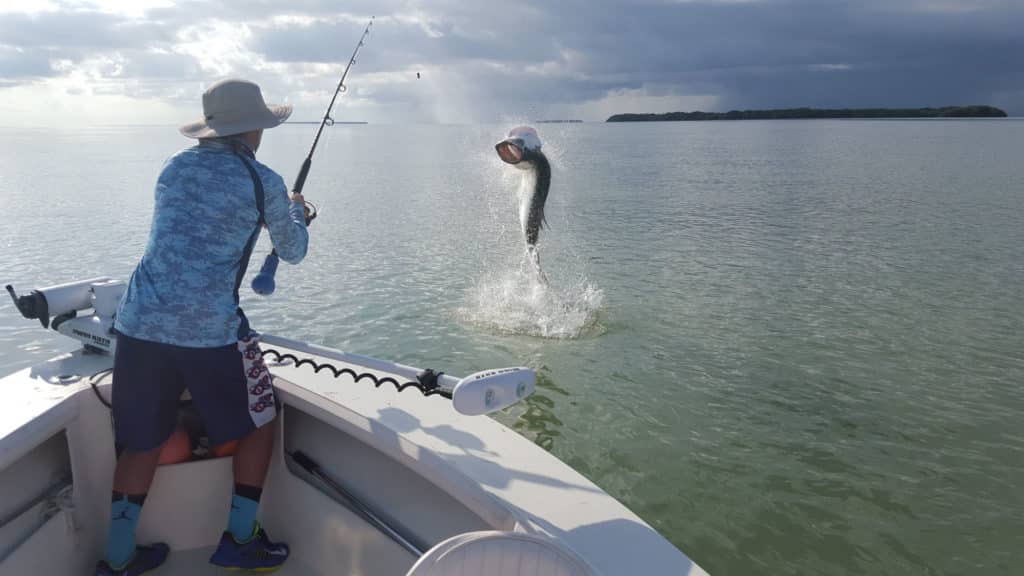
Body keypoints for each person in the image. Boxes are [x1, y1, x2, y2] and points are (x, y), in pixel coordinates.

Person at [95, 78, 309, 575]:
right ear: (254, 127)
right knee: (260, 420)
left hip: (138, 323)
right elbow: (293, 250)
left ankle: (118, 557)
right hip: (210, 330)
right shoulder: (264, 181)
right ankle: (240, 538)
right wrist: (296, 212)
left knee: (142, 440)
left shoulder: (174, 167)